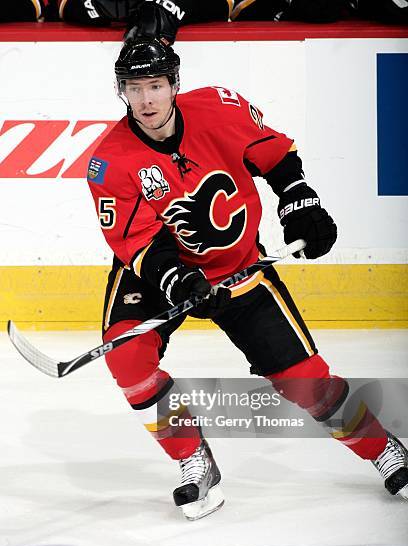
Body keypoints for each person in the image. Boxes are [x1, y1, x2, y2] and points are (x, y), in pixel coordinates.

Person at [87, 37, 408, 520]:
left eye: (155, 86)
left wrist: (299, 199)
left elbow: (278, 158)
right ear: (122, 92)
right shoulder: (108, 160)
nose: (146, 100)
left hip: (239, 268)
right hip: (156, 271)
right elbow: (137, 244)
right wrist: (176, 280)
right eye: (134, 89)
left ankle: (384, 449)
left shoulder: (219, 108)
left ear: (174, 84)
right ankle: (193, 461)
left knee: (306, 383)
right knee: (128, 359)